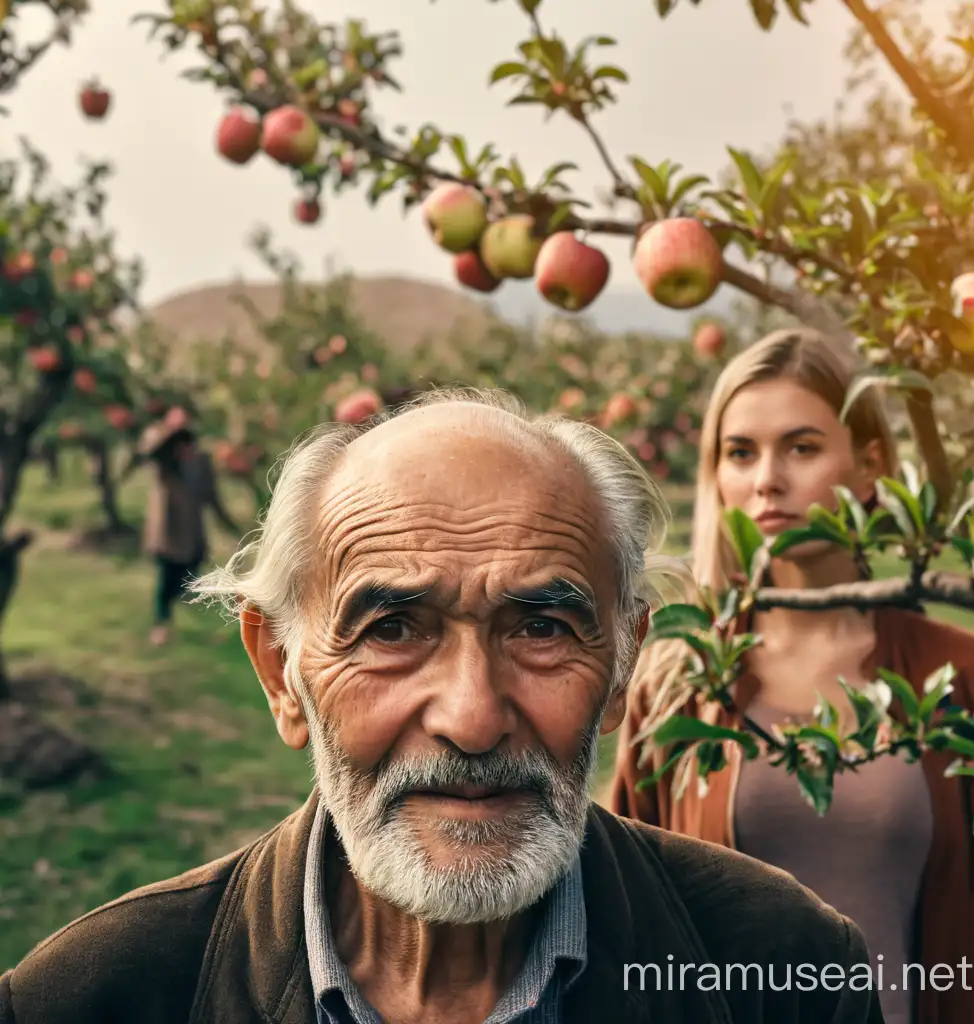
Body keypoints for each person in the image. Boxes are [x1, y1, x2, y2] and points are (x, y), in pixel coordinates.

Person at [0, 386, 885, 1024]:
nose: (472, 717)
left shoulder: (787, 973)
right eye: (391, 628)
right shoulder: (89, 998)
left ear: (619, 668)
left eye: (541, 627)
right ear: (282, 672)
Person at [609, 326, 974, 1024]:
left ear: (869, 466)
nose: (767, 477)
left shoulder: (970, 681)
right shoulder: (678, 682)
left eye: (801, 447)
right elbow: (619, 910)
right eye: (740, 453)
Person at [137, 416, 240, 646]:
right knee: (166, 581)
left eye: (189, 445)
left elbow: (212, 497)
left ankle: (183, 615)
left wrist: (232, 527)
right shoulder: (164, 466)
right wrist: (170, 429)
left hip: (192, 533)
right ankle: (162, 623)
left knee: (187, 578)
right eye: (180, 446)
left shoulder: (201, 464)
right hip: (167, 532)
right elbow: (148, 450)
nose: (186, 451)